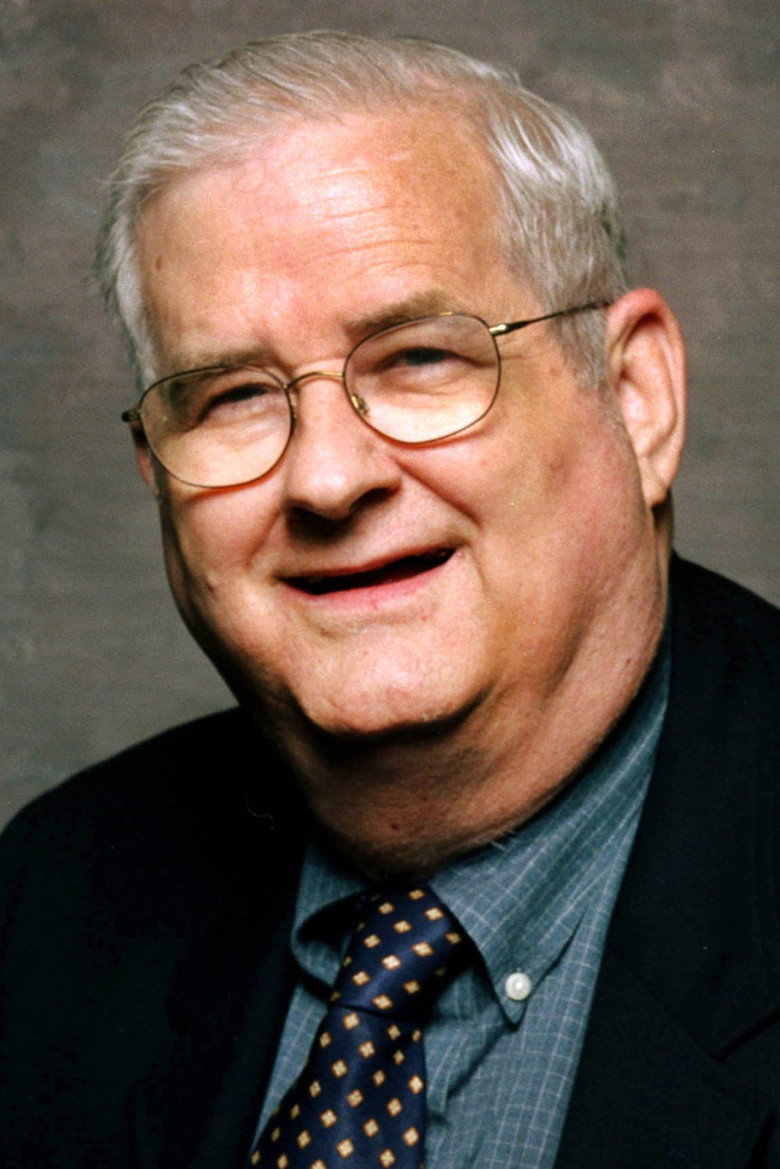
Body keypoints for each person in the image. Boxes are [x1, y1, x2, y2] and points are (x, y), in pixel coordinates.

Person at [1, 30, 778, 1169]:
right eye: (233, 396)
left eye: (418, 358)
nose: (326, 479)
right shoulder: (49, 902)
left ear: (636, 398)